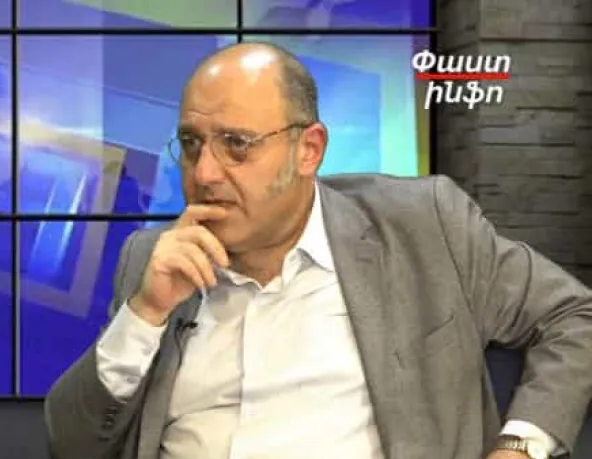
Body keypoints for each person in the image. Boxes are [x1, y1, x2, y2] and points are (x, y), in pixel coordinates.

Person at [44, 42, 592, 459]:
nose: (204, 173)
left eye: (237, 144)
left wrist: (520, 447)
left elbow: (574, 316)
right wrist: (145, 313)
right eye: (191, 144)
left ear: (308, 149)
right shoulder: (153, 260)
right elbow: (71, 445)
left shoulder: (423, 226)